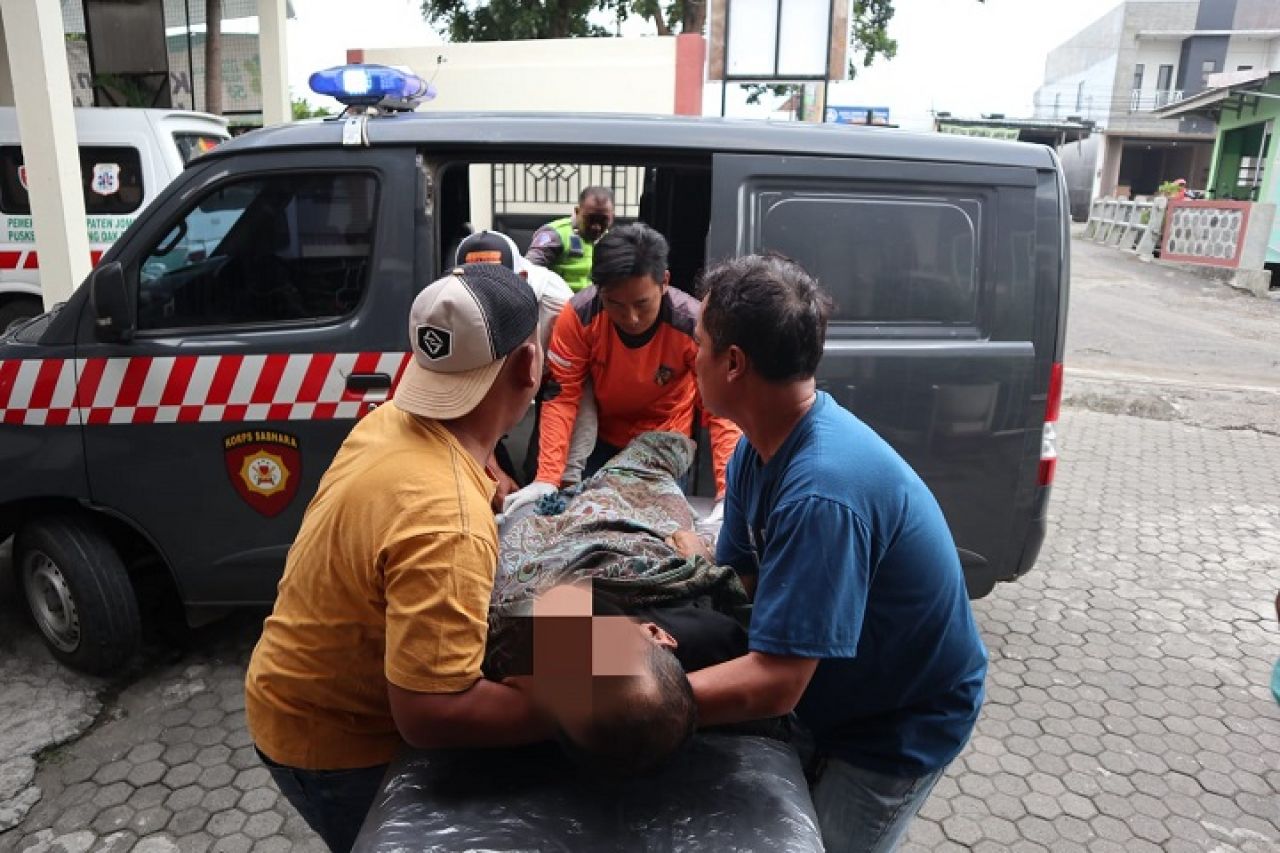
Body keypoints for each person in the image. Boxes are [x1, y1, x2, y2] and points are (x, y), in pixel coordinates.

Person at [673, 254, 989, 853]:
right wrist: (645, 626)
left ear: (733, 363)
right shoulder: (757, 449)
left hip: (896, 726)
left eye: (698, 343)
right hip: (832, 693)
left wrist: (647, 698)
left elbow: (776, 682)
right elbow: (736, 580)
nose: (692, 357)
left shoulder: (823, 491)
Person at [244, 263, 552, 853]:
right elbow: (432, 712)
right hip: (336, 746)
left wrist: (493, 484)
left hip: (288, 688)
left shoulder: (393, 420)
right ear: (530, 364)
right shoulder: (448, 519)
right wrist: (572, 707)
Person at [503, 223, 742, 520]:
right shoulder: (578, 316)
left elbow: (720, 412)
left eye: (642, 304)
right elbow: (562, 396)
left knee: (655, 525)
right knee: (586, 519)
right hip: (602, 441)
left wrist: (727, 496)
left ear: (664, 282)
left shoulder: (692, 325)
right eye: (615, 304)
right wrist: (547, 479)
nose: (631, 318)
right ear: (599, 290)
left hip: (663, 444)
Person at [454, 230, 597, 488]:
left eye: (496, 289)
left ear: (520, 279)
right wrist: (491, 470)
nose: (486, 299)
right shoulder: (454, 302)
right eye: (477, 291)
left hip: (556, 381)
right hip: (499, 379)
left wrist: (560, 479)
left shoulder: (558, 305)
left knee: (548, 474)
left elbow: (572, 395)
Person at [525, 185, 616, 291]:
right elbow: (528, 270)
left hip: (591, 304)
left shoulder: (610, 240)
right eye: (590, 219)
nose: (596, 227)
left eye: (603, 220)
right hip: (559, 303)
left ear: (612, 217)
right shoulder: (555, 234)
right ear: (577, 212)